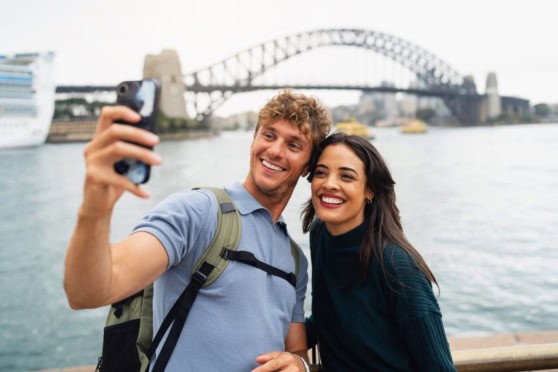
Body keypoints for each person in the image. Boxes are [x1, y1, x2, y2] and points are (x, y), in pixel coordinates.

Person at [63, 89, 331, 371]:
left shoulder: (295, 260)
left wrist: (299, 363)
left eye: (294, 145)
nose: (275, 150)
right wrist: (93, 210)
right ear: (253, 140)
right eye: (269, 135)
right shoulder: (198, 212)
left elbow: (296, 349)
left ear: (306, 168)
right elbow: (88, 293)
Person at [302, 132, 456, 371]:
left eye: (347, 176)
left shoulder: (397, 265)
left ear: (369, 191)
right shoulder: (320, 235)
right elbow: (330, 317)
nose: (329, 184)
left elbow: (438, 367)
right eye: (321, 172)